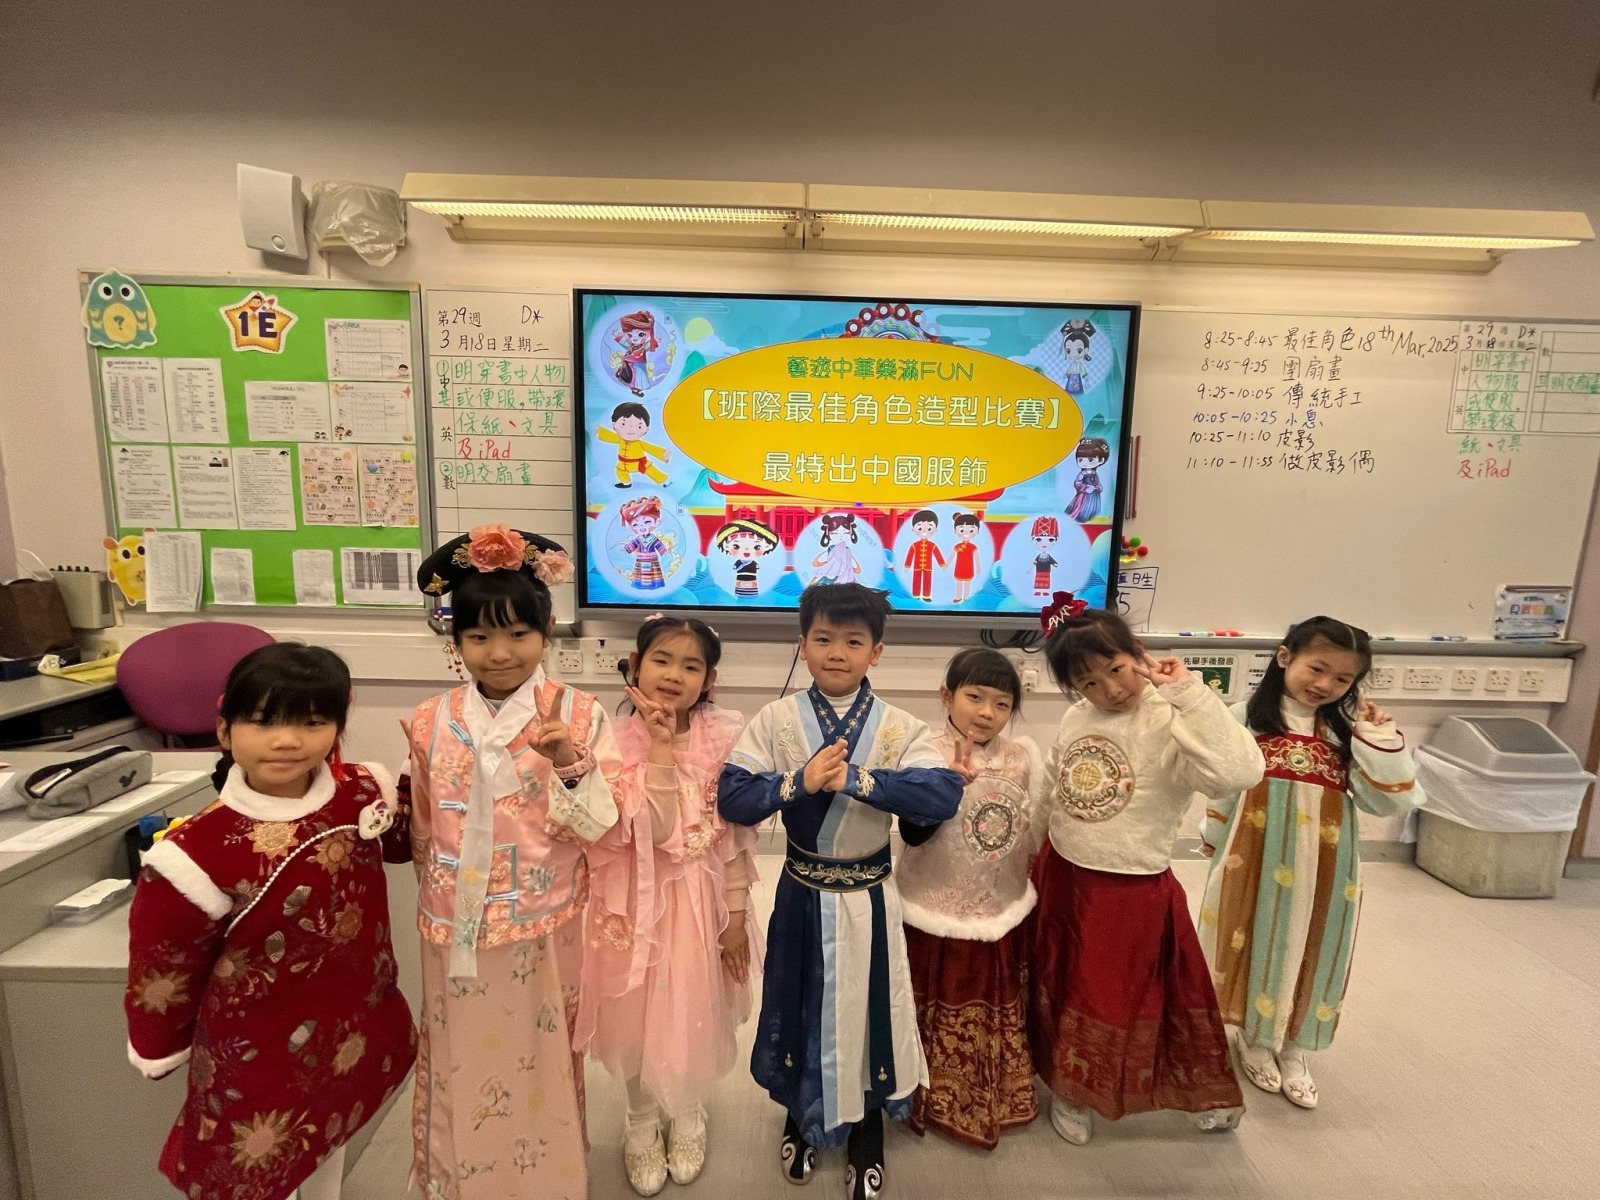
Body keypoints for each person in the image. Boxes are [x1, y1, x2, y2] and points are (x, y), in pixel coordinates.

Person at [125, 643, 415, 1200]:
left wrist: (420, 767)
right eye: (263, 722)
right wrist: (157, 1045)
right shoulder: (194, 852)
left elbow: (400, 844)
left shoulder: (360, 791)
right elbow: (163, 969)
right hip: (259, 1049)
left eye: (312, 722)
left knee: (329, 1140)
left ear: (337, 728)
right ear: (225, 729)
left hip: (354, 1021)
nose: (287, 741)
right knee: (250, 1172)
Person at [718, 583, 962, 1200]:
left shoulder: (900, 726)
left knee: (871, 1009)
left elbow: (941, 795)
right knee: (799, 1001)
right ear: (802, 644)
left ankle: (865, 1129)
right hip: (801, 892)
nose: (836, 652)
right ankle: (801, 1115)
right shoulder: (775, 720)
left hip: (871, 899)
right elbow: (733, 797)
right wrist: (798, 782)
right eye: (823, 638)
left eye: (853, 641)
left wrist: (857, 779)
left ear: (876, 652)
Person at [407, 524, 623, 1200]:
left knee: (543, 1056)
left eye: (518, 634)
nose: (499, 654)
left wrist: (568, 762)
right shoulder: (429, 719)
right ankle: (459, 1180)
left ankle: (548, 1181)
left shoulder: (580, 715)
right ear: (456, 640)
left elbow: (603, 826)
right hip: (454, 924)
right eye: (478, 637)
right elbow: (423, 831)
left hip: (544, 920)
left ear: (547, 629)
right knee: (459, 1055)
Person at [1031, 601, 1263, 1146]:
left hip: (1131, 884)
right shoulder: (1076, 717)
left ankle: (1181, 1088)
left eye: (1116, 669)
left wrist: (1188, 694)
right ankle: (1070, 1088)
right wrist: (1029, 850)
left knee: (1128, 993)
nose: (1110, 690)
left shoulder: (1173, 716)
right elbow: (1050, 788)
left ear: (1138, 653)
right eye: (1088, 683)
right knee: (1067, 985)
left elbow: (1240, 772)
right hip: (1064, 873)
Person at [1198, 616, 1420, 1110]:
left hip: (1326, 863)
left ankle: (1295, 1043)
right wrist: (1214, 839)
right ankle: (1256, 1037)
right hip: (1253, 854)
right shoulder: (1244, 718)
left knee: (1314, 941)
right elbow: (1222, 786)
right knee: (1257, 933)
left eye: (1342, 679)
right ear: (1285, 657)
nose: (1325, 685)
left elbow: (1384, 802)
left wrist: (1377, 738)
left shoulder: (1347, 731)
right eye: (1317, 669)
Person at [578, 615, 762, 1195]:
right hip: (629, 902)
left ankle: (687, 1111)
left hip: (698, 901)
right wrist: (659, 746)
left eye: (691, 665)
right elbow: (652, 831)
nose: (674, 675)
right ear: (635, 666)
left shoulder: (724, 736)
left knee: (692, 1006)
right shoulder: (609, 738)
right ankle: (638, 1120)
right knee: (632, 1015)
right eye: (661, 660)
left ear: (710, 680)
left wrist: (736, 916)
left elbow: (735, 836)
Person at [897, 648, 1046, 1150]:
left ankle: (991, 1090)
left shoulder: (1022, 758)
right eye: (975, 697)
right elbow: (912, 835)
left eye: (1002, 704)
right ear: (947, 696)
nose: (987, 712)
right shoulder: (922, 751)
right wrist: (941, 791)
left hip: (999, 907)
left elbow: (1028, 832)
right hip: (931, 903)